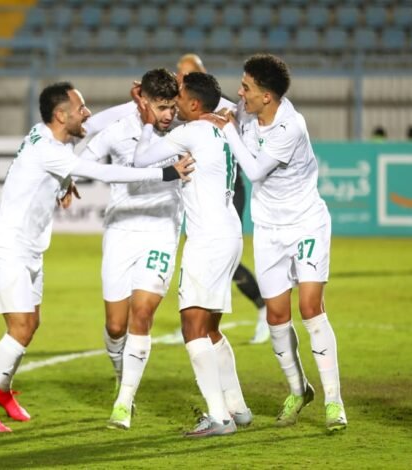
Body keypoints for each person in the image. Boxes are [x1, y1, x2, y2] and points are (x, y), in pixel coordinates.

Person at [0, 82, 193, 433]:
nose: (87, 113)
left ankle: (1, 391)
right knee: (20, 329)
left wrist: (137, 103)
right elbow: (103, 171)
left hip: (30, 248)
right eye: (80, 108)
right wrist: (165, 172)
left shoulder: (47, 134)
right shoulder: (50, 151)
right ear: (61, 115)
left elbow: (94, 124)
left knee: (30, 325)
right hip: (8, 248)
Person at [201, 54, 347, 432]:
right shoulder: (248, 110)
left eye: (246, 87)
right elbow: (215, 102)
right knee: (277, 316)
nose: (240, 93)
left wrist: (228, 129)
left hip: (306, 224)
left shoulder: (290, 126)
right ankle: (299, 390)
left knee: (311, 308)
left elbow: (254, 171)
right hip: (268, 229)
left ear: (266, 96)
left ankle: (334, 401)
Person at [134, 72, 251, 438]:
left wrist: (148, 118)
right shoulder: (224, 128)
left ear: (195, 104)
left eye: (180, 97)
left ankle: (219, 417)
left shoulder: (192, 131)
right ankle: (238, 408)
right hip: (230, 234)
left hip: (207, 241)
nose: (174, 102)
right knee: (211, 328)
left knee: (192, 327)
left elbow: (140, 159)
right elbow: (227, 105)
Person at [78, 69, 182, 430]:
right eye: (161, 107)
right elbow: (84, 158)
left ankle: (123, 402)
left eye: (172, 107)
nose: (168, 114)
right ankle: (122, 376)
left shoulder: (184, 133)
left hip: (161, 232)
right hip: (120, 231)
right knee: (115, 325)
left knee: (142, 312)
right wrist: (65, 182)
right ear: (143, 101)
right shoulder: (118, 131)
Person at [177, 53, 270, 344]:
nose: (179, 78)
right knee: (205, 254)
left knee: (224, 256)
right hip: (204, 191)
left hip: (230, 190)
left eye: (184, 73)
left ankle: (263, 308)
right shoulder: (186, 107)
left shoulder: (225, 106)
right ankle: (198, 316)